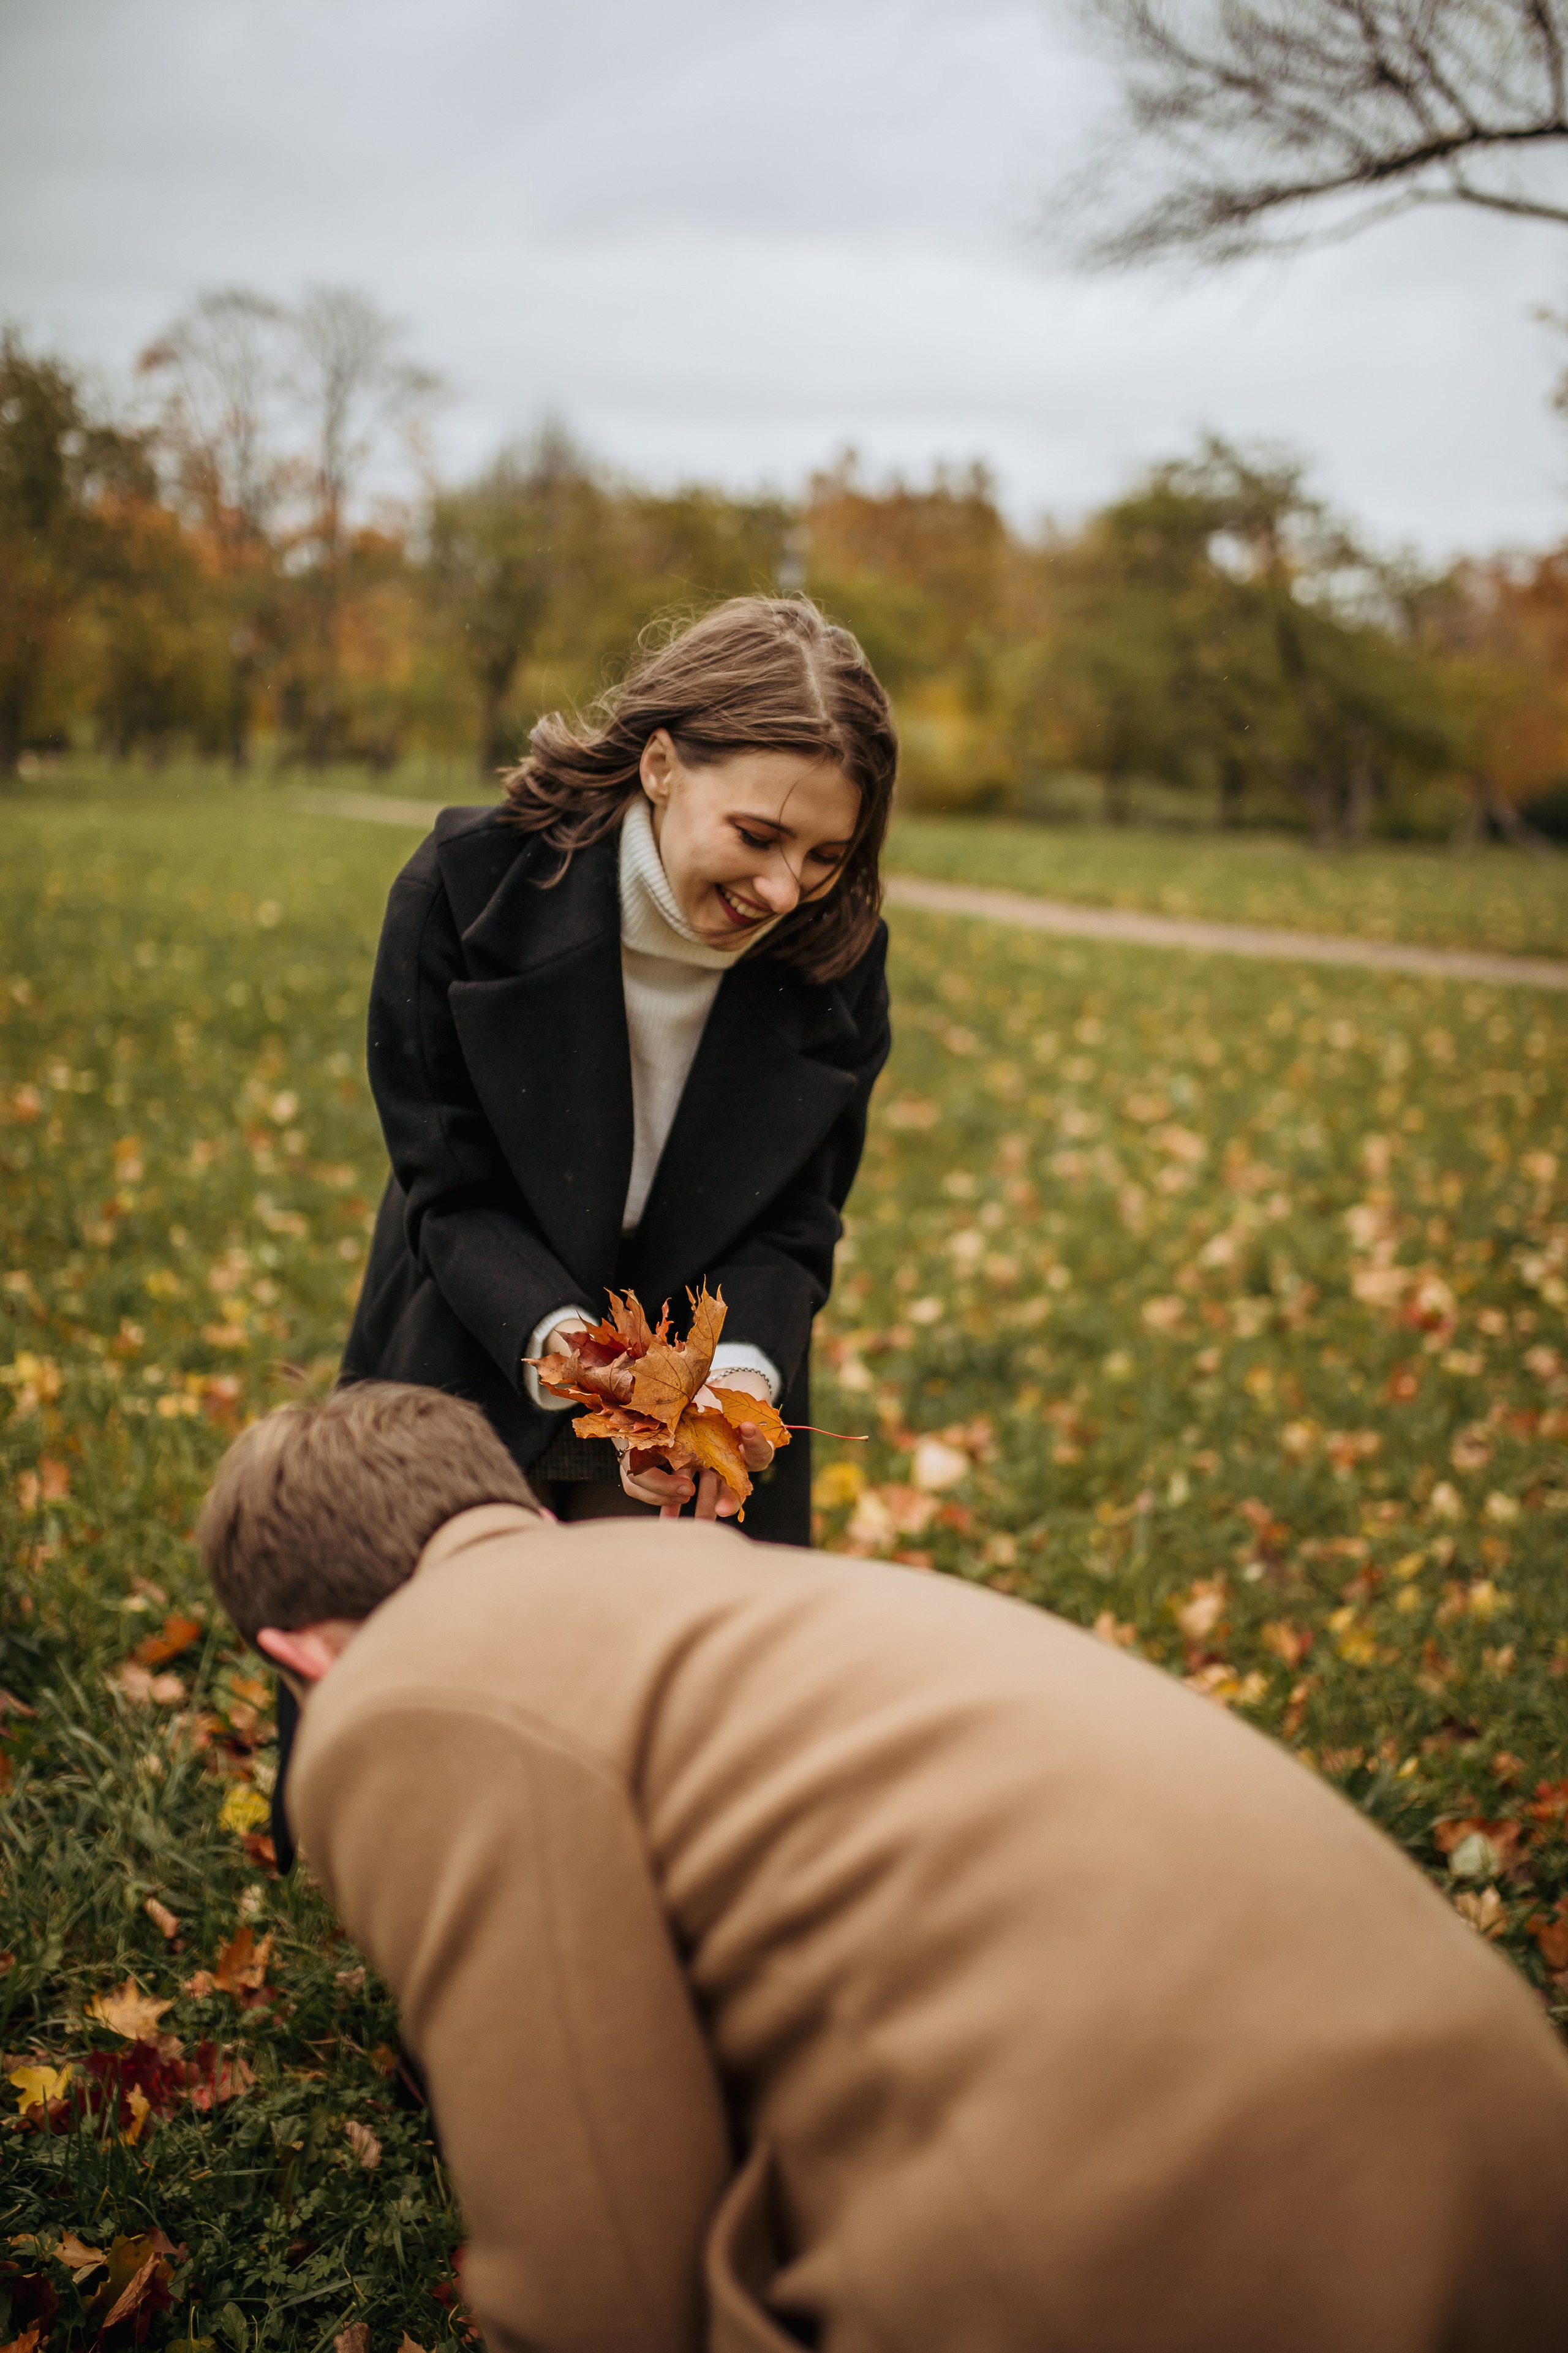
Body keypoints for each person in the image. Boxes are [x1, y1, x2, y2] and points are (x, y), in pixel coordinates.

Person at [201, 1383, 1568, 2353]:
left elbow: (605, 2276)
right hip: (1496, 2113)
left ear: (300, 1661)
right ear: (523, 1518)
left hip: (1167, 2227)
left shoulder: (413, 1693)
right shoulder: (713, 1582)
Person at [268, 596, 896, 1870]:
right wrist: (566, 1349)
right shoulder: (465, 885)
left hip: (699, 1353)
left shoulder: (837, 955)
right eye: (761, 836)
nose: (783, 890)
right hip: (476, 1302)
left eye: (824, 858)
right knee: (440, 1663)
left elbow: (792, 1220)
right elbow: (443, 1179)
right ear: (661, 762)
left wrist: (735, 1380)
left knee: (677, 1713)